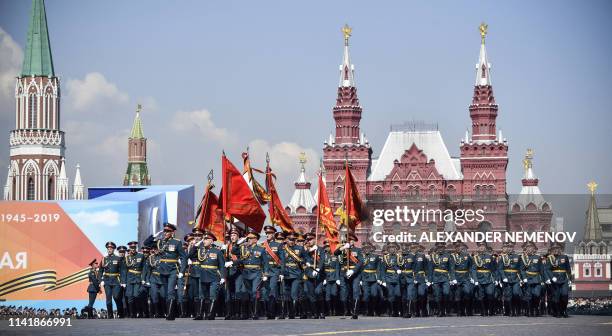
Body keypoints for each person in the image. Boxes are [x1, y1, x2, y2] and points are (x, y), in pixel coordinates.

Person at [143, 223, 188, 320]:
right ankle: (170, 312)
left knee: (171, 291)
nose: (165, 233)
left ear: (172, 232)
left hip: (172, 269)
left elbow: (183, 257)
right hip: (162, 270)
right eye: (165, 231)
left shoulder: (177, 242)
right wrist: (154, 235)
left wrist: (182, 271)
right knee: (166, 293)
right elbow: (146, 243)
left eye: (168, 231)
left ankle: (170, 314)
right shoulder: (160, 242)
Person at [189, 231, 226, 320]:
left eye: (206, 239)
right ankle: (199, 314)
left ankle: (210, 314)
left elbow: (222, 265)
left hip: (213, 276)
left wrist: (223, 277)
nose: (204, 241)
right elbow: (190, 255)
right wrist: (196, 245)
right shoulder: (200, 250)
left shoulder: (217, 251)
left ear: (212, 241)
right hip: (202, 275)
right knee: (202, 295)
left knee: (212, 295)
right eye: (204, 239)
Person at [234, 231, 266, 320]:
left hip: (256, 272)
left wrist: (265, 274)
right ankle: (245, 314)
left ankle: (255, 313)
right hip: (246, 272)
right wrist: (238, 243)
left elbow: (265, 263)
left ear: (256, 240)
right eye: (248, 238)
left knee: (254, 292)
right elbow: (234, 251)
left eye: (251, 238)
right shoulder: (244, 248)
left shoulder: (261, 249)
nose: (249, 240)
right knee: (245, 293)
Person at [334, 232, 364, 319]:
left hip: (354, 274)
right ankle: (346, 311)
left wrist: (353, 271)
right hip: (344, 273)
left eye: (352, 240)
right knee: (344, 293)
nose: (351, 241)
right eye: (349, 240)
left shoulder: (358, 250)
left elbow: (361, 262)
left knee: (355, 292)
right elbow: (335, 253)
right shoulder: (343, 249)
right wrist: (343, 247)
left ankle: (355, 312)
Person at [280, 232, 308, 319]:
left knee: (294, 294)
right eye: (289, 239)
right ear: (286, 240)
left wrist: (306, 262)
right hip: (286, 273)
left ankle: (301, 312)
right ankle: (289, 313)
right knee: (286, 294)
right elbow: (282, 262)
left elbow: (307, 258)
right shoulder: (283, 249)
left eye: (293, 239)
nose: (291, 241)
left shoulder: (300, 248)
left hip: (296, 274)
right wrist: (281, 273)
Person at [99, 241, 127, 319]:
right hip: (107, 281)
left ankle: (120, 313)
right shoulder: (104, 259)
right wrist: (101, 280)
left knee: (116, 297)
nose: (109, 249)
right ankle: (110, 315)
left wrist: (123, 281)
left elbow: (122, 270)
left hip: (116, 281)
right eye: (108, 248)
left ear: (114, 249)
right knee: (108, 298)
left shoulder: (118, 258)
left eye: (111, 248)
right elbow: (100, 270)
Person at [261, 226, 283, 319]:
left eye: (269, 233)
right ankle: (267, 312)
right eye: (266, 233)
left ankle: (272, 312)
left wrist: (281, 272)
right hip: (265, 271)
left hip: (274, 270)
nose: (267, 235)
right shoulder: (262, 245)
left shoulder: (278, 245)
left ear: (273, 234)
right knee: (265, 292)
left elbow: (282, 259)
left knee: (272, 291)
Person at [545, 242, 572, 318]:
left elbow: (568, 269)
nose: (556, 250)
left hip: (564, 279)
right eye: (554, 249)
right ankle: (557, 311)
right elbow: (547, 269)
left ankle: (564, 310)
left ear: (560, 249)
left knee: (564, 295)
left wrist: (570, 279)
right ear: (552, 250)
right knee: (556, 297)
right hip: (555, 280)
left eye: (557, 248)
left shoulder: (565, 257)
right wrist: (551, 277)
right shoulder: (550, 258)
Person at [428, 242, 455, 317]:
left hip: (445, 277)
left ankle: (447, 310)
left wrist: (452, 279)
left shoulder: (448, 256)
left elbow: (451, 268)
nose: (440, 249)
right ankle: (441, 311)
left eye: (442, 248)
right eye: (439, 248)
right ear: (436, 248)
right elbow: (430, 269)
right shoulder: (433, 256)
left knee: (446, 293)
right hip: (436, 278)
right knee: (437, 295)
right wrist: (429, 281)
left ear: (444, 248)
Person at [497, 242, 522, 316]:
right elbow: (500, 269)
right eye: (508, 247)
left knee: (516, 293)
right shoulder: (503, 257)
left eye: (511, 247)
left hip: (515, 278)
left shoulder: (517, 257)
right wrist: (503, 277)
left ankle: (516, 309)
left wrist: (522, 279)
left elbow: (520, 268)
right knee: (508, 295)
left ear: (513, 248)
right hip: (507, 278)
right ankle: (510, 311)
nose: (509, 249)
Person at [520, 241, 544, 317]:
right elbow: (521, 269)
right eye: (528, 247)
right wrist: (524, 278)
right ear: (525, 249)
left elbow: (541, 269)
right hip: (528, 279)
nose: (529, 249)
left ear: (534, 249)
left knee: (537, 295)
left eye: (531, 247)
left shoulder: (538, 257)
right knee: (528, 296)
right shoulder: (523, 258)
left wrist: (543, 280)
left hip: (536, 279)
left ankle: (536, 308)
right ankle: (530, 311)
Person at [381, 242, 403, 317]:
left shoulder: (399, 257)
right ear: (388, 249)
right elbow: (383, 270)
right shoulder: (385, 257)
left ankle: (397, 310)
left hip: (397, 278)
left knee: (398, 295)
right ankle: (392, 311)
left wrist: (399, 270)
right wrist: (383, 280)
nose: (392, 249)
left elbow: (401, 266)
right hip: (388, 278)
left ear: (396, 249)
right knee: (391, 295)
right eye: (390, 248)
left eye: (393, 248)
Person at [125, 241, 146, 318]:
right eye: (131, 248)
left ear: (136, 248)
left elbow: (144, 268)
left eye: (134, 247)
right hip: (130, 278)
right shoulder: (127, 257)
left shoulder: (141, 255)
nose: (133, 249)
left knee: (136, 295)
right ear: (129, 248)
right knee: (130, 296)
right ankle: (132, 313)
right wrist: (123, 281)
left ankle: (139, 312)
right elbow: (124, 270)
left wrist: (143, 278)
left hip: (137, 278)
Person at [452, 242, 474, 316]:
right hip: (457, 277)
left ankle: (467, 310)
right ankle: (459, 311)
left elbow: (471, 266)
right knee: (458, 295)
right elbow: (451, 268)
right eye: (456, 247)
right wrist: (452, 278)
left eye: (459, 247)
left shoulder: (466, 256)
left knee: (467, 292)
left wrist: (472, 277)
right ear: (455, 248)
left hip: (466, 277)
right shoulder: (452, 256)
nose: (458, 248)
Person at [360, 242, 381, 316]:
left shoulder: (375, 257)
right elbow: (360, 269)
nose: (366, 250)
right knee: (366, 295)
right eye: (365, 248)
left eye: (368, 248)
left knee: (374, 294)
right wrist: (360, 279)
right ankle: (367, 310)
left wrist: (378, 278)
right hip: (365, 278)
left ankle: (374, 310)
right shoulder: (361, 257)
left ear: (370, 249)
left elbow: (378, 268)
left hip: (373, 278)